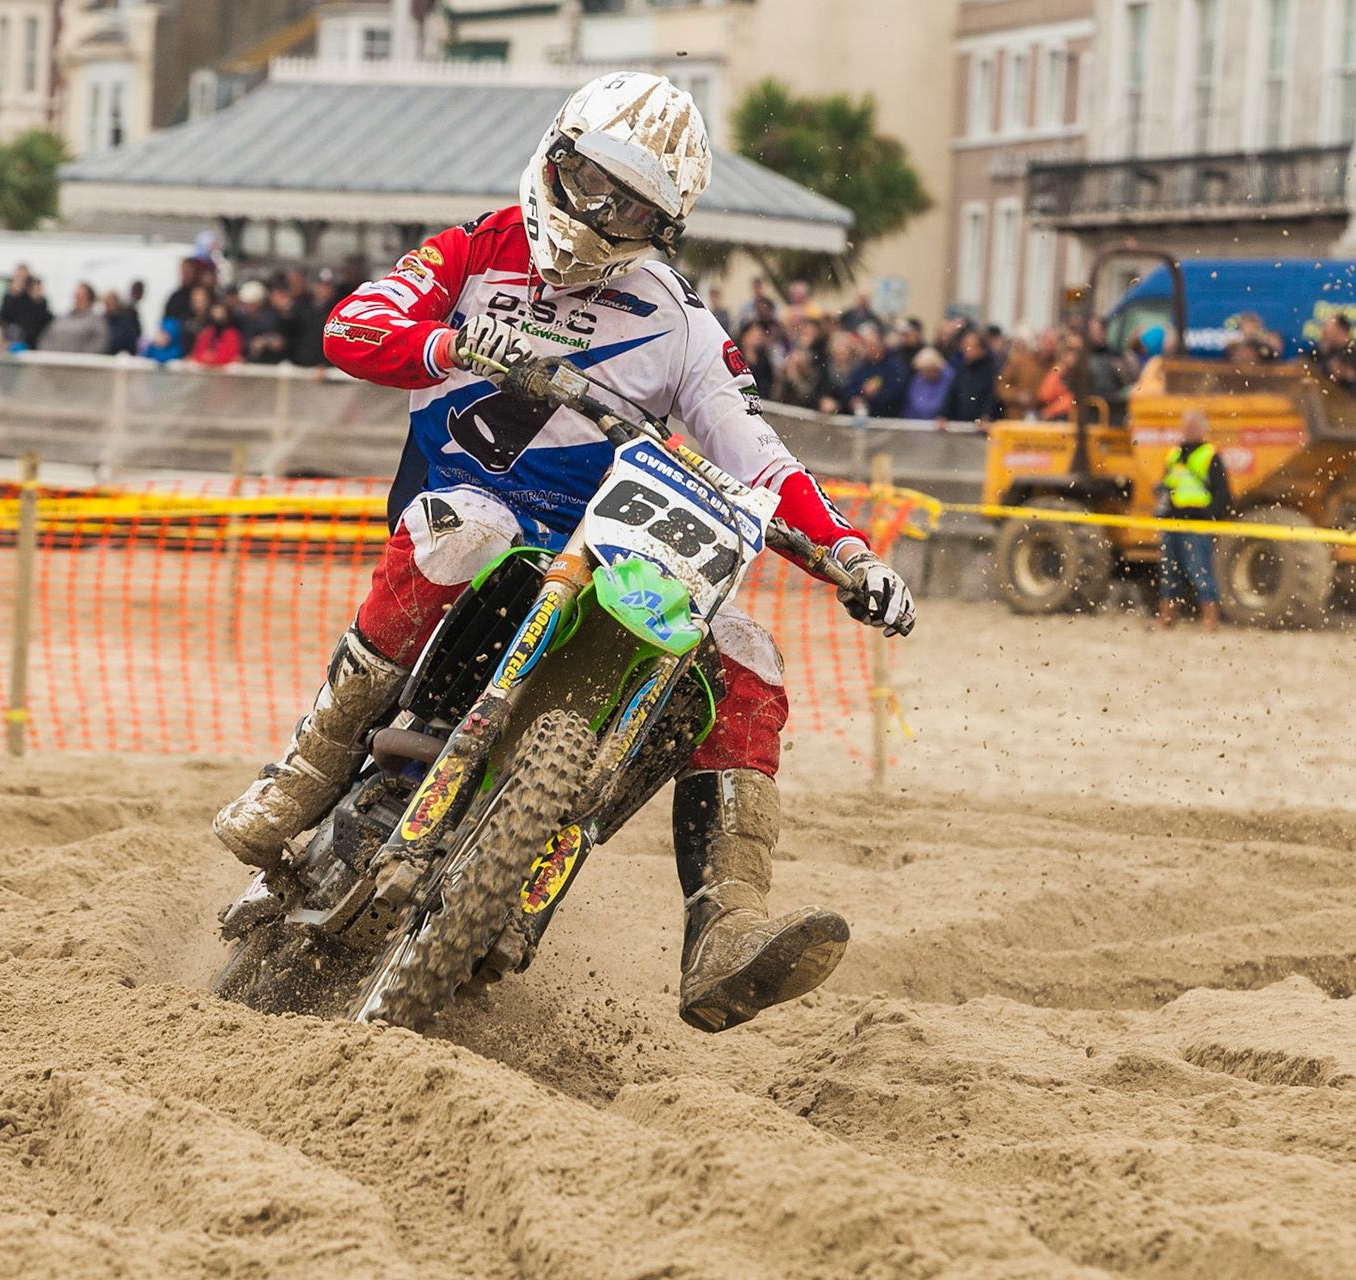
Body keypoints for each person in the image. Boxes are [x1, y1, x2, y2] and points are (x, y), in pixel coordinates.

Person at [213, 71, 913, 1034]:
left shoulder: (677, 318)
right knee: (474, 527)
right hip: (463, 522)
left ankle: (724, 925)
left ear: (664, 226)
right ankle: (305, 771)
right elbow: (352, 327)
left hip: (602, 548)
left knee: (747, 649)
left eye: (632, 209)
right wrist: (457, 346)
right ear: (556, 157)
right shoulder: (474, 249)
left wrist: (850, 553)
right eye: (590, 186)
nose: (599, 217)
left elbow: (755, 448)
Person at [1155, 407, 1232, 634]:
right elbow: (1168, 485)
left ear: (1201, 429)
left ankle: (1210, 620)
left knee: (1200, 571)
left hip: (1196, 525)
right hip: (1172, 522)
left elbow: (1223, 494)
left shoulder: (1209, 455)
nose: (1187, 430)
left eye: (1192, 426)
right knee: (1169, 573)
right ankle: (1167, 618)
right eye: (1185, 426)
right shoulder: (1174, 455)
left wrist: (1207, 515)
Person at [939, 327, 1001, 425]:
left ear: (981, 349)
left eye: (969, 346)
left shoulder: (992, 371)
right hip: (960, 424)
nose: (965, 349)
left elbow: (993, 397)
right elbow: (952, 394)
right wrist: (943, 415)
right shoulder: (962, 370)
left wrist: (987, 416)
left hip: (981, 426)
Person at [37, 283, 110, 354]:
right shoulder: (61, 318)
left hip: (79, 360)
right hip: (53, 359)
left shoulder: (97, 321)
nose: (77, 299)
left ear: (89, 298)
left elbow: (99, 343)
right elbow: (46, 337)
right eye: (76, 296)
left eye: (81, 296)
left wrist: (79, 357)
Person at [0, 267, 53, 350]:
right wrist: (14, 293)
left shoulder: (39, 300)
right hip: (14, 336)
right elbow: (4, 315)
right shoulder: (10, 297)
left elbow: (43, 318)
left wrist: (37, 300)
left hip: (33, 338)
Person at [904, 346, 952, 420]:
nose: (926, 374)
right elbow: (910, 404)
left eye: (929, 370)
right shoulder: (917, 379)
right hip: (916, 422)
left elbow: (942, 404)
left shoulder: (948, 379)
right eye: (923, 371)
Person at [190, 298, 243, 365]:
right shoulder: (206, 333)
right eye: (215, 313)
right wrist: (205, 358)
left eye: (220, 313)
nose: (217, 316)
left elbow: (230, 356)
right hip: (204, 367)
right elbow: (197, 353)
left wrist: (212, 358)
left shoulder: (232, 334)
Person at [103, 290, 142, 355]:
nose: (110, 306)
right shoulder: (102, 321)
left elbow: (132, 341)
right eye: (108, 303)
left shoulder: (126, 322)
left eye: (112, 302)